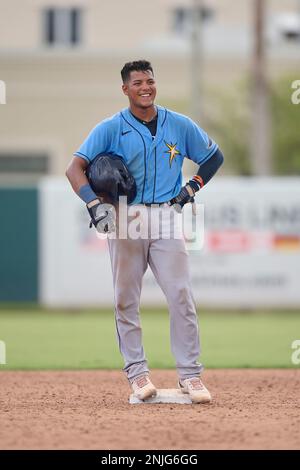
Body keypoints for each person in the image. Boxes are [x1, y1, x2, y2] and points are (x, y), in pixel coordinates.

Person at [66, 60, 224, 403]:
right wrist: (94, 203)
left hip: (167, 213)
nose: (145, 87)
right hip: (127, 215)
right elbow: (74, 168)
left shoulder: (179, 124)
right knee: (126, 298)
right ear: (125, 89)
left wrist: (192, 187)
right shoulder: (110, 127)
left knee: (181, 295)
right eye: (137, 82)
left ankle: (190, 375)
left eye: (150, 81)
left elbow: (213, 157)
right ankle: (138, 374)